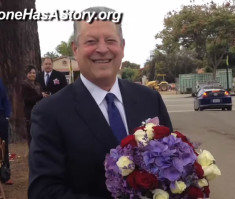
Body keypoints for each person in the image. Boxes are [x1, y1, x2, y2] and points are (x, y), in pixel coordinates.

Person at [28, 6, 173, 199]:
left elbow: (172, 164)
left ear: (122, 47)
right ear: (75, 49)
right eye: (91, 41)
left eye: (110, 40)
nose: (102, 49)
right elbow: (43, 192)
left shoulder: (150, 99)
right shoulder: (49, 113)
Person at [21, 65, 46, 147]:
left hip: (40, 112)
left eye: (34, 73)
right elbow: (27, 99)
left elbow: (41, 96)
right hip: (30, 113)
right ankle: (32, 153)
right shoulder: (24, 85)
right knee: (31, 134)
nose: (32, 75)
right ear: (26, 74)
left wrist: (45, 96)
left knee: (40, 133)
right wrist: (40, 96)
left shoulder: (38, 85)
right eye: (30, 73)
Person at [0, 78, 13, 185]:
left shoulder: (0, 81)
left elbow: (5, 99)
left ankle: (5, 175)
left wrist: (7, 116)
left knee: (3, 147)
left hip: (1, 117)